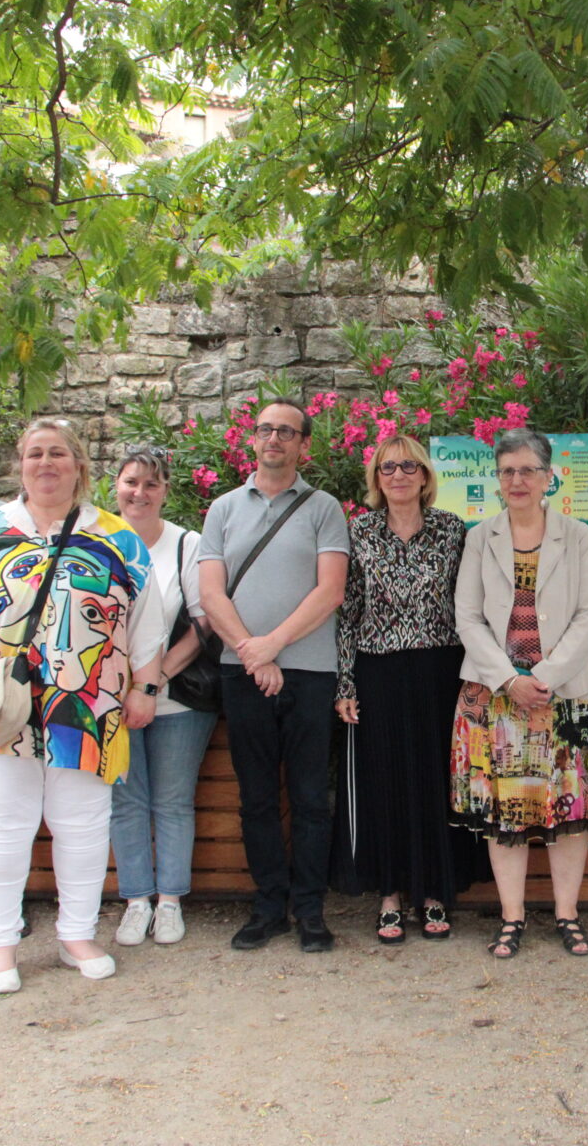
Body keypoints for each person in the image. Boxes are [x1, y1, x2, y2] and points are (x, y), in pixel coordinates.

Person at [0, 417, 163, 993]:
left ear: (79, 464)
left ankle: (76, 935)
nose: (46, 463)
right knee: (1, 825)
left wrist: (145, 689)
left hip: (90, 702)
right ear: (20, 464)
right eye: (35, 453)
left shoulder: (117, 536)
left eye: (58, 452)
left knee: (81, 824)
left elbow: (149, 623)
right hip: (0, 703)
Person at [452, 427, 588, 959]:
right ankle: (511, 918)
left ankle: (568, 915)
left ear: (550, 476)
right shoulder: (481, 537)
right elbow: (468, 617)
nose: (518, 480)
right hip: (495, 697)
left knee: (570, 811)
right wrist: (510, 679)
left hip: (568, 694)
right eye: (508, 471)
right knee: (505, 813)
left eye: (529, 470)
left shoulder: (579, 536)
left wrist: (544, 674)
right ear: (497, 480)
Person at [195, 398, 349, 953]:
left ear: (303, 444)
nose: (275, 439)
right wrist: (249, 652)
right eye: (266, 430)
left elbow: (330, 590)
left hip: (307, 671)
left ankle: (309, 910)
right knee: (256, 797)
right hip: (242, 673)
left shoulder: (323, 507)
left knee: (310, 796)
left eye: (287, 431)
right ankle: (268, 907)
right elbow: (211, 591)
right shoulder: (224, 509)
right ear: (252, 439)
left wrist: (271, 647)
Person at [333, 435, 481, 944]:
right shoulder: (359, 532)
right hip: (378, 673)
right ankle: (391, 894)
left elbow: (470, 609)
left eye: (408, 466)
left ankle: (436, 891)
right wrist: (346, 683)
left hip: (441, 671)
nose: (398, 475)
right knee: (386, 781)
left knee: (435, 780)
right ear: (376, 478)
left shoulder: (451, 531)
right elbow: (348, 614)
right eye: (387, 467)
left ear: (424, 476)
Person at [108, 445, 216, 947]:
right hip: (111, 700)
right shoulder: (99, 540)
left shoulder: (185, 545)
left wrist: (151, 685)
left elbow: (202, 625)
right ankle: (135, 900)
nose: (140, 493)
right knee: (126, 802)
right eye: (132, 482)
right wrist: (126, 689)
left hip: (176, 699)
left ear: (166, 490)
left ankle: (169, 901)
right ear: (116, 487)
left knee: (172, 801)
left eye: (151, 484)